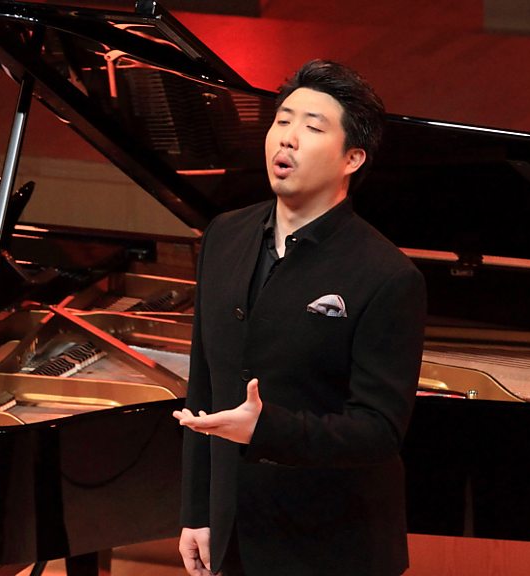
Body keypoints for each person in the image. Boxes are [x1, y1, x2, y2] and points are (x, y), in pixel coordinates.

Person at [172, 60, 426, 576]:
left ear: (352, 158)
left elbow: (379, 430)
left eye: (312, 127)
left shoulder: (387, 275)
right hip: (234, 531)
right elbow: (204, 383)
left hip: (332, 546)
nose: (286, 138)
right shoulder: (224, 235)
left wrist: (266, 428)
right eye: (282, 121)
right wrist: (197, 512)